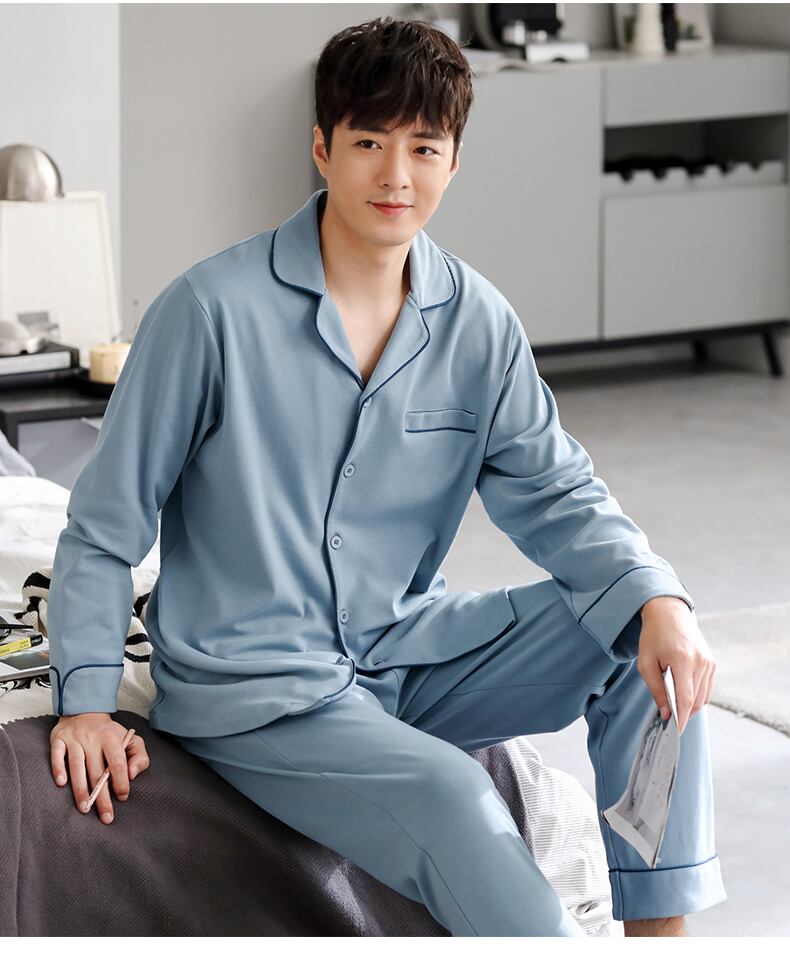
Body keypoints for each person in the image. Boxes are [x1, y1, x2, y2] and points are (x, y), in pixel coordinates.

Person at [47, 16, 727, 937]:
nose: (395, 175)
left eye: (423, 148)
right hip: (260, 686)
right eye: (369, 142)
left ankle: (658, 939)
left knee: (651, 638)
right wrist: (86, 703)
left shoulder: (479, 323)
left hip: (410, 649)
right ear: (322, 149)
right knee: (455, 796)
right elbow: (104, 525)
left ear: (454, 162)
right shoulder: (209, 312)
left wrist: (656, 597)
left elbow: (558, 492)